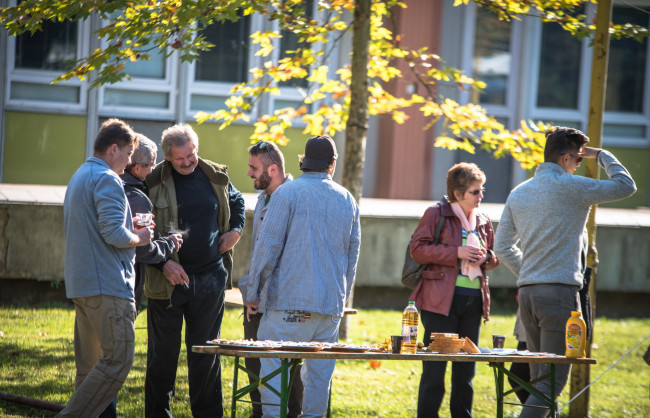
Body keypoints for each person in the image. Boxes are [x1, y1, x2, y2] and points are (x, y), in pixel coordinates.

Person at [494, 127, 636, 417]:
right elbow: (626, 186)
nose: (579, 165)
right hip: (559, 296)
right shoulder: (573, 187)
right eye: (579, 160)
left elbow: (502, 247)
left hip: (528, 295)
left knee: (538, 383)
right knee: (550, 386)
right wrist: (603, 155)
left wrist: (531, 273)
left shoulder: (519, 192)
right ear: (567, 158)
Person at [244, 135, 360, 417]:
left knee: (272, 376)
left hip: (287, 303)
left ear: (303, 162)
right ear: (332, 165)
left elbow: (267, 248)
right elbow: (352, 256)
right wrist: (340, 298)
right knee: (319, 380)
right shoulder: (347, 198)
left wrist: (253, 293)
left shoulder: (287, 193)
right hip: (328, 307)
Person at [144, 124, 246, 417]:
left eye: (192, 155)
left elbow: (237, 200)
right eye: (180, 159)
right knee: (162, 356)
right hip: (168, 282)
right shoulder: (152, 181)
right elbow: (138, 232)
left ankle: (209, 414)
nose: (188, 162)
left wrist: (236, 230)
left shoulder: (214, 173)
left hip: (211, 278)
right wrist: (163, 262)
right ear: (167, 158)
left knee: (205, 354)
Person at [59, 118, 154, 418]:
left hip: (83, 286)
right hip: (108, 288)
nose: (129, 162)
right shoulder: (108, 178)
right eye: (127, 154)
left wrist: (130, 228)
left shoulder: (80, 175)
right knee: (117, 363)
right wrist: (139, 236)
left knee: (88, 371)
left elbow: (100, 227)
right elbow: (114, 233)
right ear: (114, 149)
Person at [410, 162, 500, 418]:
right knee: (435, 369)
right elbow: (418, 250)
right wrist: (456, 252)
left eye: (481, 190)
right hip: (440, 302)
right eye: (476, 191)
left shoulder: (483, 219)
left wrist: (486, 258)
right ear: (458, 193)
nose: (481, 196)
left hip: (473, 301)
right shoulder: (436, 214)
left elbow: (494, 258)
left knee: (466, 371)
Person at [238, 140, 302, 417]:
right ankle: (259, 413)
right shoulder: (263, 197)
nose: (249, 173)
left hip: (286, 301)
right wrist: (250, 291)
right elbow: (259, 254)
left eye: (254, 167)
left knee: (291, 369)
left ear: (273, 169)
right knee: (255, 365)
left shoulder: (297, 197)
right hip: (256, 301)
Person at [120, 134, 183, 310]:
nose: (153, 169)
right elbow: (142, 250)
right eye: (151, 164)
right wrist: (169, 243)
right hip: (123, 288)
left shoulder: (109, 185)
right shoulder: (138, 199)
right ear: (137, 168)